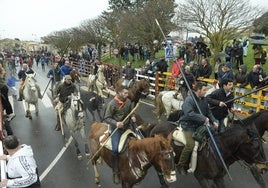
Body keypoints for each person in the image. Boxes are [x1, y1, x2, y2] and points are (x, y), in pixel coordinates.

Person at [177, 82, 218, 175]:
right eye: (204, 90)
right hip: (188, 125)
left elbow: (208, 112)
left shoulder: (204, 99)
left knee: (213, 136)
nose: (206, 92)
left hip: (199, 125)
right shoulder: (189, 100)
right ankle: (180, 165)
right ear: (198, 90)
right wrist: (203, 118)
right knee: (190, 145)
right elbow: (189, 114)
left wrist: (214, 120)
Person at [103, 85, 136, 184]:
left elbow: (132, 112)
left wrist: (133, 117)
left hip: (127, 127)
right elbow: (107, 118)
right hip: (116, 128)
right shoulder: (112, 104)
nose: (127, 94)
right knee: (115, 149)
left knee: (139, 139)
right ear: (119, 93)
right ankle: (115, 171)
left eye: (127, 93)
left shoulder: (129, 101)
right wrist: (116, 123)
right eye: (125, 93)